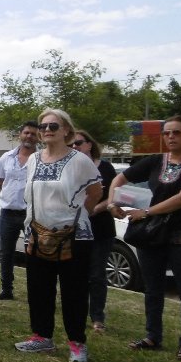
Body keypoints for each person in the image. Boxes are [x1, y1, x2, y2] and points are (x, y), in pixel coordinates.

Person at [109, 115, 181, 360]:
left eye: (176, 132)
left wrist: (146, 211)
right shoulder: (155, 160)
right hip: (152, 233)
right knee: (153, 287)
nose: (171, 137)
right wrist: (114, 200)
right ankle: (152, 335)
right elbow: (120, 178)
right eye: (166, 133)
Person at [14, 109, 101, 362]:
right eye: (43, 127)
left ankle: (76, 343)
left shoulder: (79, 160)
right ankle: (42, 336)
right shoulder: (33, 159)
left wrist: (77, 217)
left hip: (74, 236)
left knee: (74, 291)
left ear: (66, 130)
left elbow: (95, 192)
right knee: (39, 288)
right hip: (37, 233)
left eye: (54, 126)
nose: (47, 130)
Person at [72, 130, 117, 332]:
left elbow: (115, 196)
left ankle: (97, 317)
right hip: (77, 229)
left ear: (89, 145)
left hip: (101, 229)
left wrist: (97, 208)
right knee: (77, 274)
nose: (75, 147)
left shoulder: (106, 168)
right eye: (71, 145)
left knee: (97, 275)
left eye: (79, 143)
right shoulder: (71, 168)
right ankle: (77, 311)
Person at [0, 120, 39, 300]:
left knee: (32, 253)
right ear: (20, 134)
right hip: (8, 214)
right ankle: (6, 289)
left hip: (31, 215)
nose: (29, 136)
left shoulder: (41, 158)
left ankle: (34, 291)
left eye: (33, 134)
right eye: (26, 133)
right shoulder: (6, 157)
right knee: (6, 252)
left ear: (38, 137)